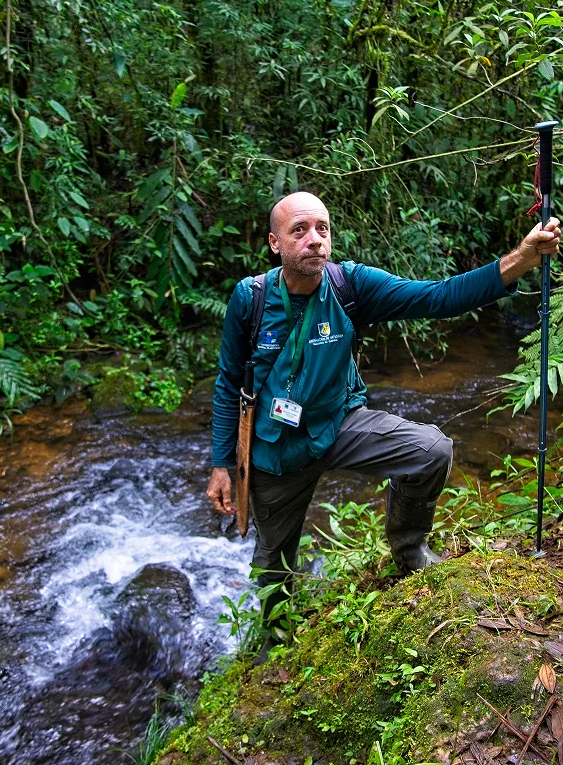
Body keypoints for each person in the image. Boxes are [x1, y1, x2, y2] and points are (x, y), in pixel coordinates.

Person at [206, 191, 561, 647]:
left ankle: (409, 551)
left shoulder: (351, 286)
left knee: (430, 451)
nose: (315, 239)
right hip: (276, 449)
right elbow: (228, 382)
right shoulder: (249, 300)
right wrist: (221, 465)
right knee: (274, 559)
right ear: (275, 244)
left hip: (339, 425)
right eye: (300, 231)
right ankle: (275, 638)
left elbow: (440, 297)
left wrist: (522, 259)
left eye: (323, 229)